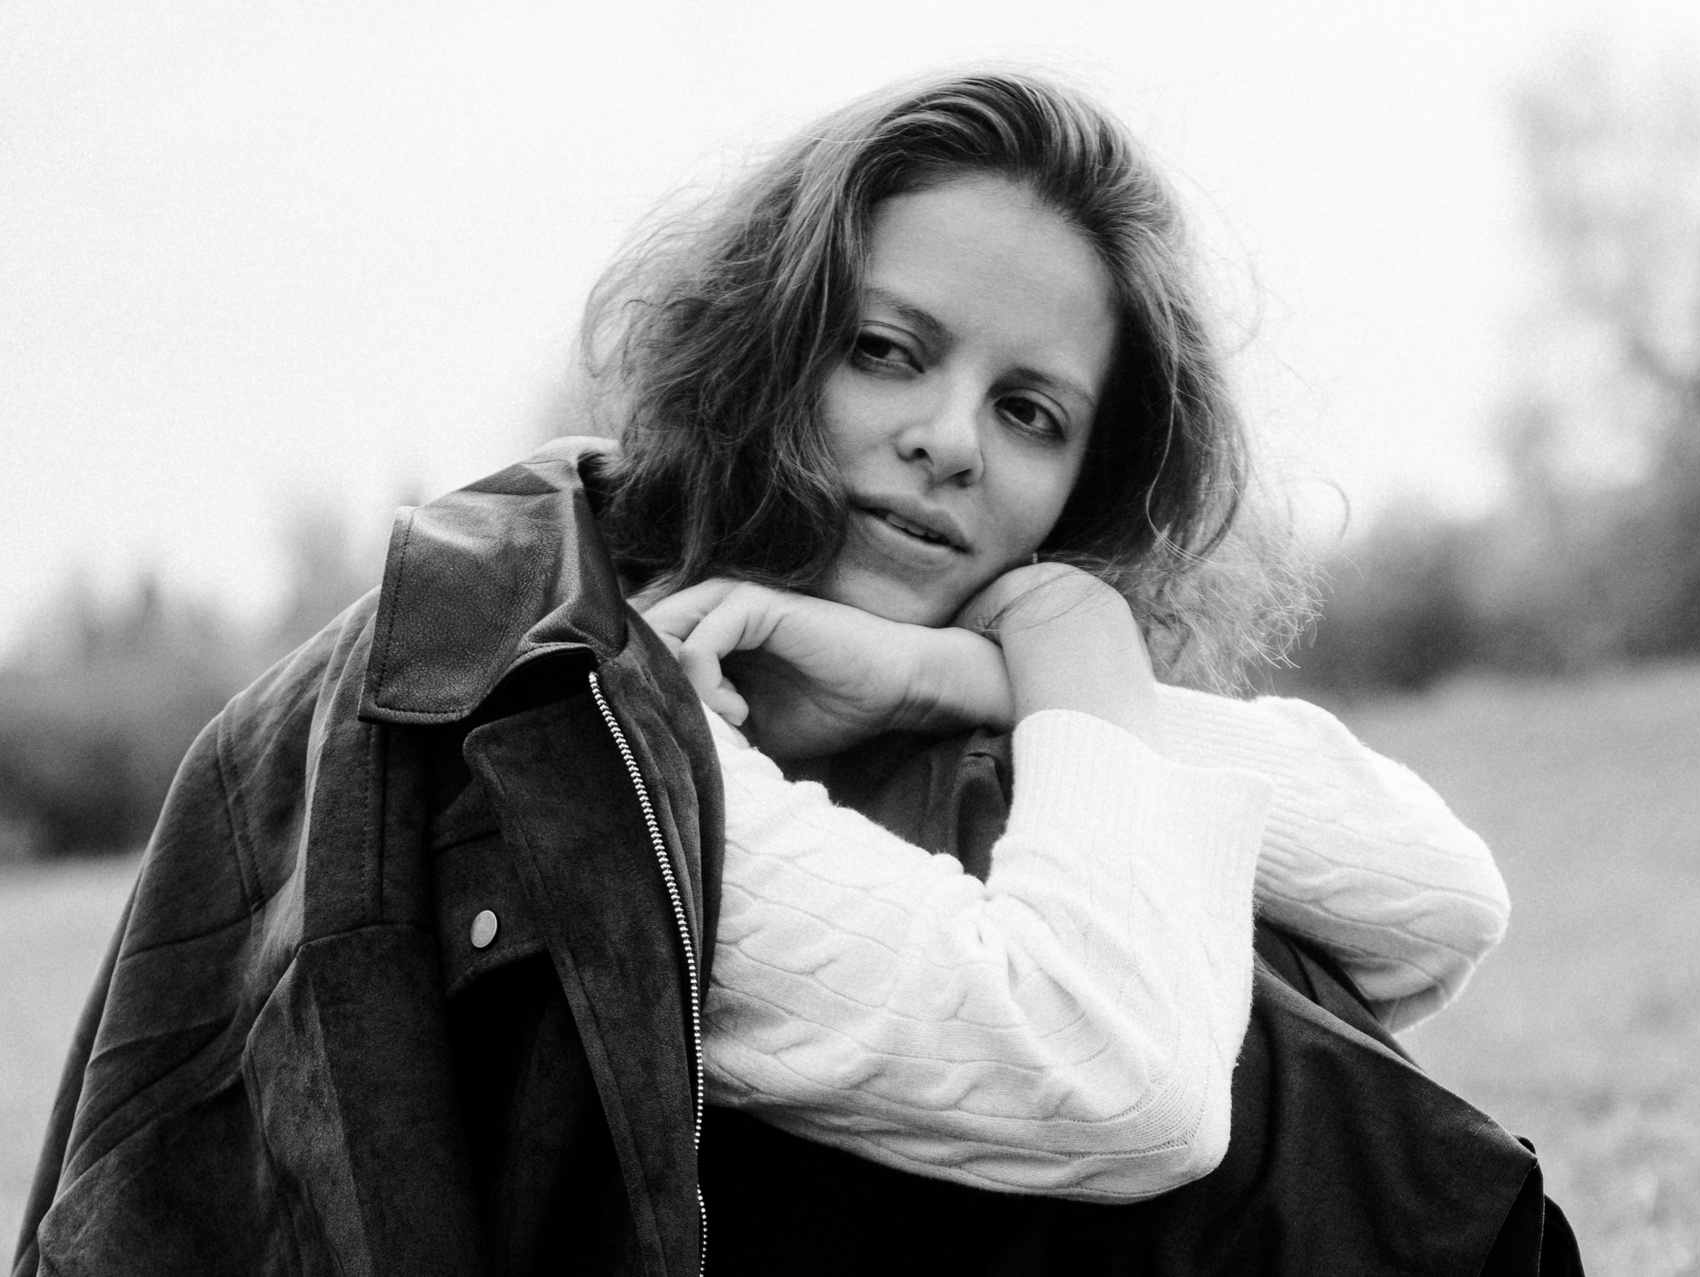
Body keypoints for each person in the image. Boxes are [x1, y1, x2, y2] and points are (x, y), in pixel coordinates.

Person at [15, 70, 1577, 1277]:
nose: (950, 440)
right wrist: (1070, 649)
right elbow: (1122, 1080)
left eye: (1030, 411)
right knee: (1188, 990)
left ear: (1086, 483)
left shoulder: (894, 692)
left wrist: (972, 682)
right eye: (888, 350)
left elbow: (1434, 899)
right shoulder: (613, 716)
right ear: (773, 342)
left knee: (1205, 921)